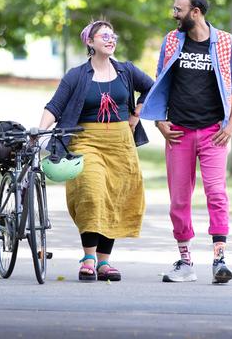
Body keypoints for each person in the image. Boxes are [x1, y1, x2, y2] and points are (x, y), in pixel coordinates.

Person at [140, 0, 232, 284]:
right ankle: (185, 262)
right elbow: (159, 80)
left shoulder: (225, 42)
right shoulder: (172, 41)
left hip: (213, 132)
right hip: (179, 133)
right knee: (179, 200)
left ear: (195, 12)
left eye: (178, 10)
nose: (174, 14)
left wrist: (231, 123)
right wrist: (160, 120)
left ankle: (219, 259)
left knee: (216, 193)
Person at [38, 20, 154, 282]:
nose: (110, 39)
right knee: (92, 191)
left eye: (113, 35)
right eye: (104, 36)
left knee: (114, 197)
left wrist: (137, 113)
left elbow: (152, 87)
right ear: (90, 42)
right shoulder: (77, 75)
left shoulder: (126, 71)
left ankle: (104, 263)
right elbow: (55, 106)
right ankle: (88, 258)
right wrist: (39, 130)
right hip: (85, 141)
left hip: (121, 144)